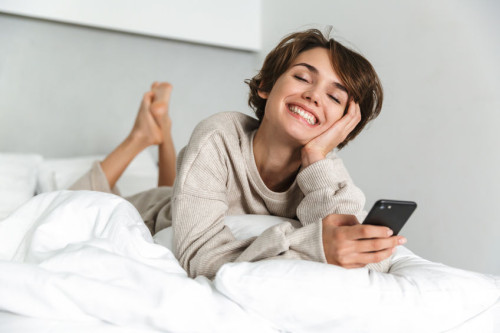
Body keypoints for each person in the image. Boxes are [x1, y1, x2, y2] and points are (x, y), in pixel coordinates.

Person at [71, 29, 407, 279]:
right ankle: (142, 137)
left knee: (175, 189)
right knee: (75, 205)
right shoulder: (219, 135)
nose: (314, 96)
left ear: (345, 125)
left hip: (188, 194)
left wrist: (318, 155)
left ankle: (161, 137)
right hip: (153, 211)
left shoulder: (327, 172)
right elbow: (199, 257)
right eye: (303, 77)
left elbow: (370, 259)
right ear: (265, 86)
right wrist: (314, 246)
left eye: (335, 99)